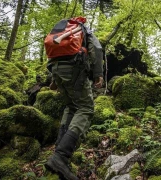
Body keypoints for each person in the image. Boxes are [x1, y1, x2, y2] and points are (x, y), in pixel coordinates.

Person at [45, 17, 104, 180]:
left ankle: (59, 149)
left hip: (56, 70)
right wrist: (98, 74)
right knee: (85, 108)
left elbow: (53, 55)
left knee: (71, 107)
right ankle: (61, 157)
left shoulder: (60, 30)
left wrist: (53, 79)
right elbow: (97, 49)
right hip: (74, 70)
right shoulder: (83, 30)